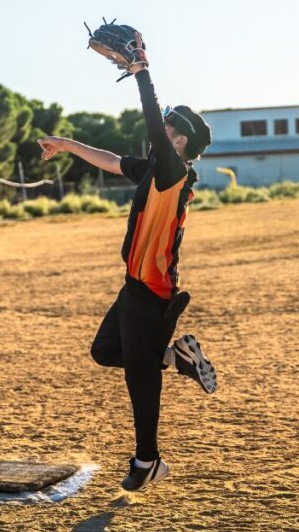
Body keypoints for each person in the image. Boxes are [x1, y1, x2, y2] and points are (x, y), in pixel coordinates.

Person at [37, 47, 218, 492]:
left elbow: (154, 125)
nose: (163, 129)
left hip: (152, 292)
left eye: (170, 127)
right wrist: (66, 146)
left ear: (178, 142)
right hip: (134, 287)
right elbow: (109, 158)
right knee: (104, 352)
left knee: (140, 377)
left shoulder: (173, 172)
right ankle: (177, 356)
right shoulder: (155, 169)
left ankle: (147, 460)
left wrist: (142, 74)